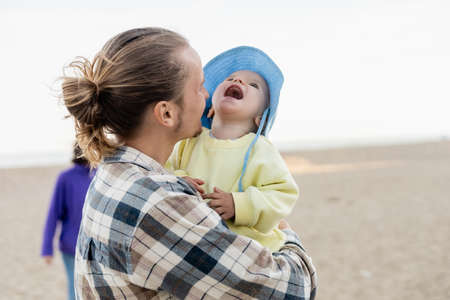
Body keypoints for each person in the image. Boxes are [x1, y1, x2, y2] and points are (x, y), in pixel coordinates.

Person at [62, 27, 317, 299]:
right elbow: (293, 290)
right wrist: (288, 237)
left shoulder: (113, 173)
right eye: (199, 87)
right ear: (167, 113)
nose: (207, 95)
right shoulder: (160, 205)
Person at [166, 46, 298, 252]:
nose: (238, 81)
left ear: (260, 119)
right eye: (231, 78)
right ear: (210, 107)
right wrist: (179, 180)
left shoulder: (260, 149)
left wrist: (240, 205)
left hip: (247, 246)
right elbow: (164, 168)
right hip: (196, 240)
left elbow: (282, 193)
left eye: (253, 85)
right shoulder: (189, 141)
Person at [41, 143, 94, 300]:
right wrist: (47, 248)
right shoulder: (65, 178)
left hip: (95, 247)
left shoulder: (98, 175)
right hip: (71, 247)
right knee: (76, 290)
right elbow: (53, 214)